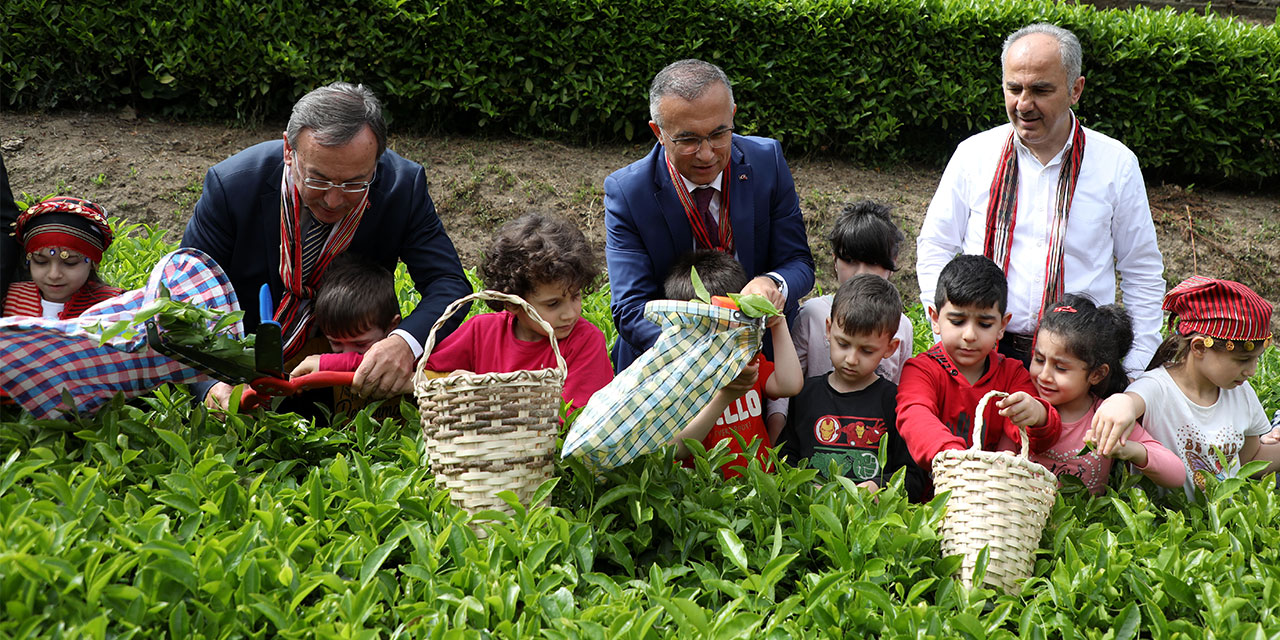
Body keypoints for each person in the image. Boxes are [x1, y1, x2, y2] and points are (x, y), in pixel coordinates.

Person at [181, 81, 470, 408]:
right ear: (289, 152)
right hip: (245, 369)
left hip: (349, 368)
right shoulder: (233, 186)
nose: (333, 200)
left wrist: (404, 343)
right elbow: (186, 298)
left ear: (376, 161)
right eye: (318, 179)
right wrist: (211, 386)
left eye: (355, 183)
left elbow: (448, 284)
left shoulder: (402, 188)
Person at [915, 23, 1164, 373]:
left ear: (1075, 89)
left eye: (1041, 90)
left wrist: (1136, 364)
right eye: (1013, 88)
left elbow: (1142, 271)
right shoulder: (974, 155)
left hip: (1078, 363)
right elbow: (935, 246)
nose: (1024, 104)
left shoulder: (1116, 165)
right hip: (983, 358)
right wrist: (949, 330)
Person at [604, 59, 814, 372]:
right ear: (658, 133)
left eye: (719, 134)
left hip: (762, 349)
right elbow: (631, 309)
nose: (706, 154)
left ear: (732, 115)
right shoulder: (629, 192)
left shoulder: (766, 161)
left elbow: (799, 263)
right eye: (688, 140)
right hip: (670, 354)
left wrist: (771, 283)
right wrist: (706, 353)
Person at [1089, 277, 1280, 498]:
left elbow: (1251, 457)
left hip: (1223, 524)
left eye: (1256, 360)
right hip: (1163, 524)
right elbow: (1130, 401)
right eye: (1242, 360)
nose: (1252, 371)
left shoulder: (1241, 393)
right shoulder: (1158, 387)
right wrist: (1119, 403)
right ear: (1199, 347)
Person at [422, 213, 613, 413]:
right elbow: (422, 375)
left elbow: (573, 417)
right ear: (513, 302)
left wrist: (485, 398)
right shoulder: (481, 331)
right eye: (553, 304)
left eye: (575, 296)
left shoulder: (585, 341)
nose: (570, 314)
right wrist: (451, 381)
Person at [897, 255, 1062, 470]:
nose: (969, 335)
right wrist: (956, 458)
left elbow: (1041, 438)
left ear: (1002, 326)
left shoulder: (1012, 374)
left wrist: (1037, 414)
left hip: (994, 494)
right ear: (935, 319)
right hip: (932, 496)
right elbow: (915, 416)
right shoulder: (922, 370)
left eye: (984, 324)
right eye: (957, 321)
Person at [765, 200, 915, 435]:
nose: (861, 273)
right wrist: (776, 433)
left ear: (892, 264)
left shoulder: (902, 326)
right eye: (850, 261)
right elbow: (784, 388)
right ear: (834, 260)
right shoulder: (813, 315)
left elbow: (898, 392)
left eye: (874, 263)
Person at [775, 274, 926, 500]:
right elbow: (784, 461)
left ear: (891, 347)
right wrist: (803, 487)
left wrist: (880, 488)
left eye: (867, 350)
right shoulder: (806, 394)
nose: (851, 359)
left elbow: (914, 476)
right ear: (828, 329)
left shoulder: (895, 403)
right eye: (843, 344)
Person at [1019, 294, 1182, 495]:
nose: (1044, 376)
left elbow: (1176, 475)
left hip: (1085, 523)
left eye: (1060, 368)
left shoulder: (1105, 417)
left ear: (1097, 374)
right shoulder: (1026, 403)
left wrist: (1127, 450)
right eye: (1039, 359)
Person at [664, 250, 803, 478]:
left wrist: (777, 322)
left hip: (760, 486)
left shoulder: (747, 362)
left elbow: (790, 384)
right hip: (708, 493)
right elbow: (676, 449)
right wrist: (725, 396)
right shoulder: (685, 376)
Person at [2, 196, 123, 319]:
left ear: (93, 262)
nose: (54, 275)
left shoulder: (115, 306)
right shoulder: (9, 300)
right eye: (41, 261)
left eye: (70, 262)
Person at [289, 253, 400, 376]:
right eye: (336, 343)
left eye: (360, 344)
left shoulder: (405, 357)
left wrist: (330, 364)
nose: (346, 354)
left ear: (392, 326)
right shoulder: (320, 347)